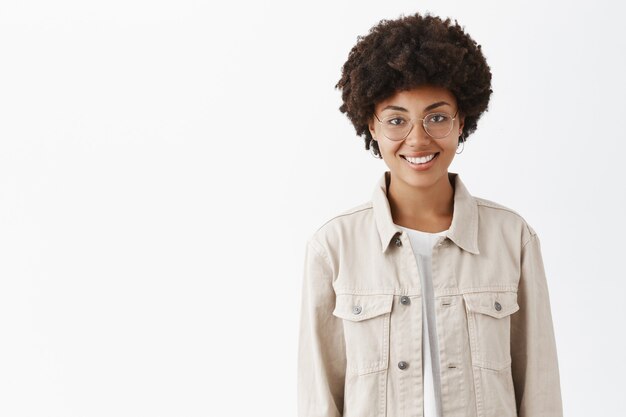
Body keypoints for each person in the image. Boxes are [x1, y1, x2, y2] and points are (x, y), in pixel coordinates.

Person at [297, 11, 563, 417]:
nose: (417, 139)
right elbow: (318, 399)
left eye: (436, 117)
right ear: (371, 124)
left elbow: (541, 393)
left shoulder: (513, 239)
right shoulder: (333, 247)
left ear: (462, 122)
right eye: (396, 120)